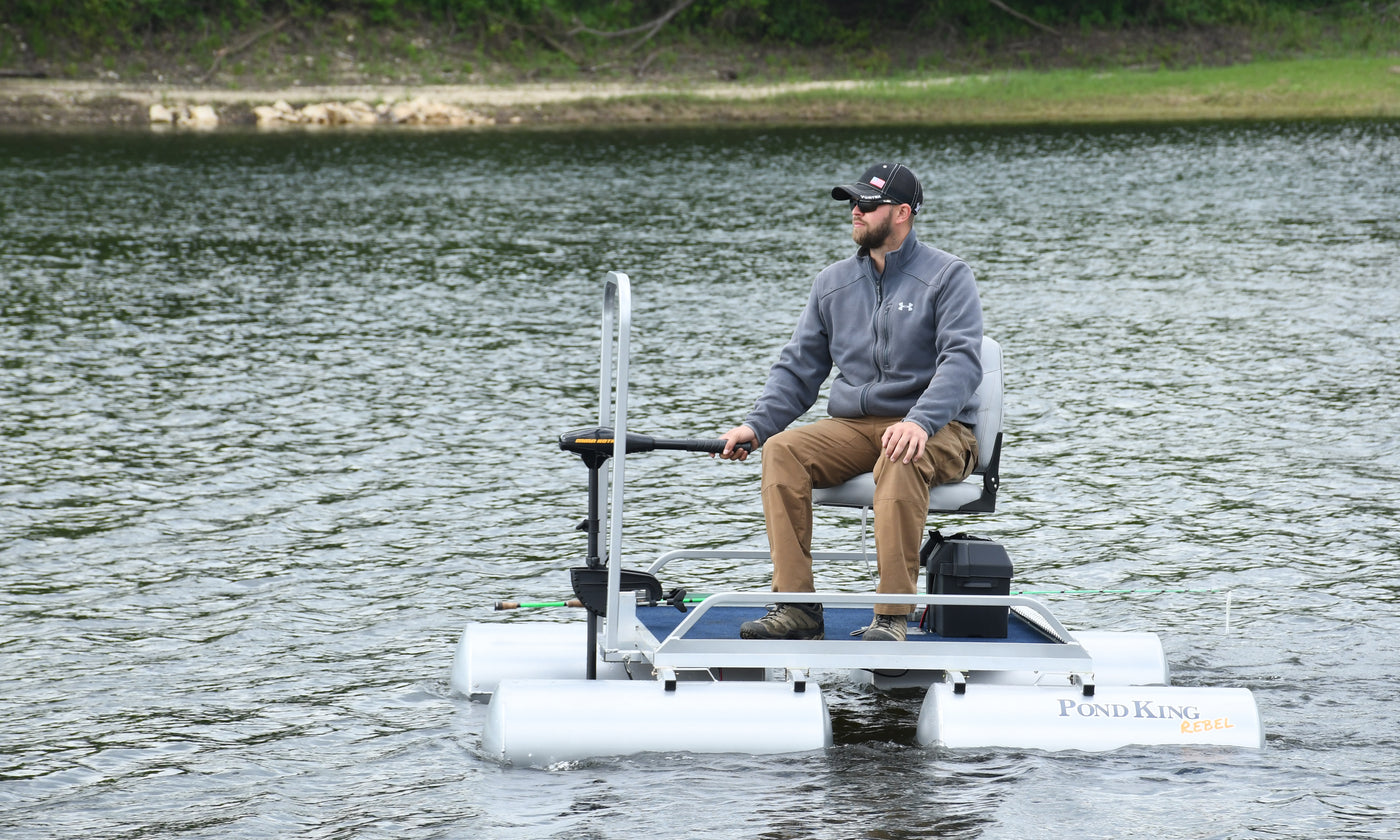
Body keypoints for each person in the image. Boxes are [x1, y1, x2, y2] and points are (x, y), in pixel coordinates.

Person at [718, 162, 984, 643]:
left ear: (903, 213)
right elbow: (799, 370)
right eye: (852, 204)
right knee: (783, 450)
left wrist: (920, 422)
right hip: (858, 427)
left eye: (867, 205)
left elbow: (962, 364)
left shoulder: (948, 275)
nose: (855, 213)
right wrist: (755, 427)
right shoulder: (832, 283)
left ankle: (892, 617)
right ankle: (797, 607)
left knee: (902, 453)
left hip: (939, 429)